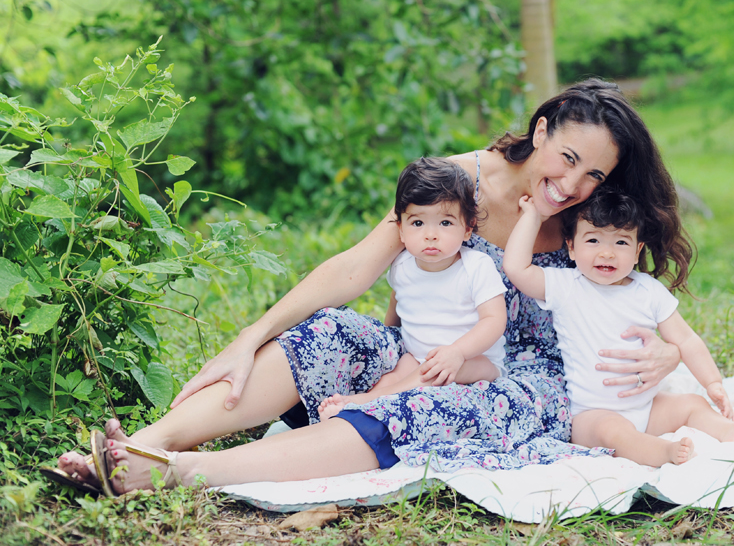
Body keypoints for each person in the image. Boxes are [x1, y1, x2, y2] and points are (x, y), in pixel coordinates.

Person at [54, 79, 695, 496]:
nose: (573, 183)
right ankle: (143, 444)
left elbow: (634, 293)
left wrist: (667, 354)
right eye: (570, 158)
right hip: (418, 345)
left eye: (595, 174)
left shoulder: (593, 214)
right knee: (328, 334)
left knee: (417, 406)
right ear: (542, 129)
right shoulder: (454, 182)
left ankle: (178, 475)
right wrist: (252, 334)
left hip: (523, 381)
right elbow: (354, 270)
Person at [503, 188, 734, 467]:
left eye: (621, 243)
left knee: (692, 404)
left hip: (648, 407)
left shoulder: (648, 291)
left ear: (637, 251)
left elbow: (686, 340)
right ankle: (661, 452)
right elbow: (516, 269)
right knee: (615, 432)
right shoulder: (566, 286)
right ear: (572, 247)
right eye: (593, 240)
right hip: (593, 414)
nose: (607, 252)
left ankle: (730, 431)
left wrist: (713, 382)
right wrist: (533, 217)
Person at [316, 157, 507, 420]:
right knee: (393, 377)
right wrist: (389, 335)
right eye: (418, 223)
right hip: (417, 355)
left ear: (467, 228)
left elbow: (495, 320)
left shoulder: (476, 267)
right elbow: (398, 302)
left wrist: (458, 352)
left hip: (475, 361)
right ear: (401, 230)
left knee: (434, 373)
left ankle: (366, 402)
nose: (431, 234)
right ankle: (364, 409)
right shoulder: (402, 265)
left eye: (445, 223)